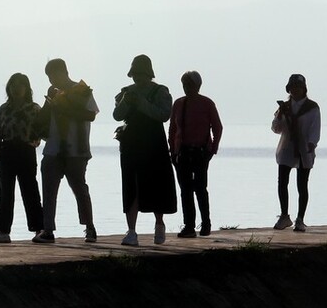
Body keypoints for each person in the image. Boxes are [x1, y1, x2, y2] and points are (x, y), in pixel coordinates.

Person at [112, 54, 177, 246]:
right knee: (131, 186)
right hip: (131, 143)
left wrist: (141, 103)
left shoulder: (160, 91)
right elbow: (117, 115)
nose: (137, 78)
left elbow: (164, 115)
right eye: (135, 74)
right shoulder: (125, 92)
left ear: (148, 73)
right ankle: (132, 231)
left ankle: (159, 223)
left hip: (153, 143)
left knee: (157, 184)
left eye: (140, 74)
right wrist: (126, 101)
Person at [34, 58, 98, 244]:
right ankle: (48, 230)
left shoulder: (82, 90)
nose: (50, 80)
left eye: (52, 76)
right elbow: (43, 118)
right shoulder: (53, 93)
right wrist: (49, 101)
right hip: (53, 149)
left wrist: (65, 108)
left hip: (76, 150)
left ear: (62, 72)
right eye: (48, 77)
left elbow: (90, 115)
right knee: (49, 191)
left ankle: (90, 228)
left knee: (80, 189)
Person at [0, 73, 44, 243]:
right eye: (13, 85)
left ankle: (39, 228)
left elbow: (40, 133)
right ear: (8, 88)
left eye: (20, 85)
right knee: (6, 193)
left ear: (27, 88)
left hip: (26, 151)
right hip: (7, 151)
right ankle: (3, 230)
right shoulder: (3, 109)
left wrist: (33, 141)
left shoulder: (34, 108)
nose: (17, 89)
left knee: (30, 191)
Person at [168, 71, 223, 237]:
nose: (187, 88)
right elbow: (172, 129)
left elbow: (217, 127)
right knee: (185, 190)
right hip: (182, 152)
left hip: (200, 152)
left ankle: (206, 223)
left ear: (197, 86)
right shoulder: (178, 104)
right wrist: (173, 150)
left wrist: (212, 149)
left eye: (190, 85)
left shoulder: (207, 104)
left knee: (200, 188)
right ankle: (189, 226)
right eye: (185, 85)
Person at [271, 74, 320, 232]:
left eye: (298, 87)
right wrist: (279, 117)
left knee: (302, 185)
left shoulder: (312, 107)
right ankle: (284, 215)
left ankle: (300, 219)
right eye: (292, 87)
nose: (295, 90)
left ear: (304, 88)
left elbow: (315, 127)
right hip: (286, 148)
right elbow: (276, 129)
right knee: (282, 182)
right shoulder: (284, 107)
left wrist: (312, 143)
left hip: (304, 149)